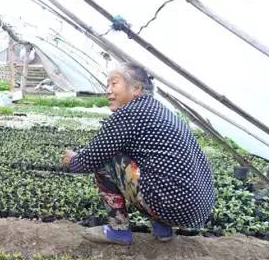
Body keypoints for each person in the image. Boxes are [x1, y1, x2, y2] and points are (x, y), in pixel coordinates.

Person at [62, 63, 215, 245]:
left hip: (172, 206)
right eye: (107, 85)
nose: (108, 91)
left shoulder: (129, 113)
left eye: (114, 84)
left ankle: (118, 230)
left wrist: (72, 160)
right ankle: (162, 228)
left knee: (106, 159)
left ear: (136, 89)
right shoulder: (159, 110)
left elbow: (90, 159)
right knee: (149, 166)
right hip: (197, 208)